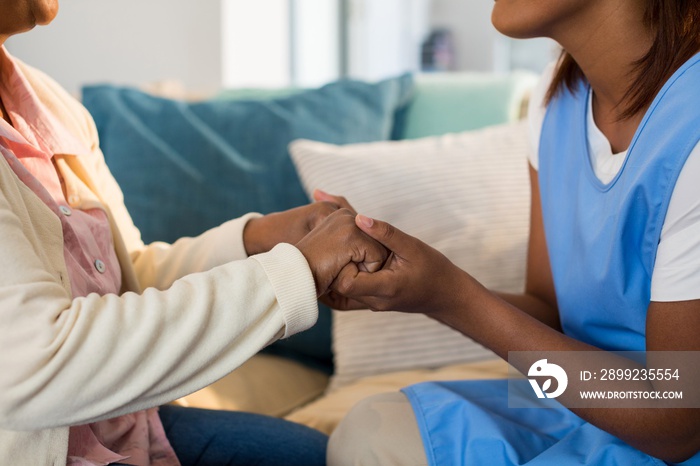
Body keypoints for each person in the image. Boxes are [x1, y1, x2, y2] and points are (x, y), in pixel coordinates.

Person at [0, 2, 387, 465]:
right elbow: (39, 361)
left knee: (327, 457)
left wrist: (255, 239)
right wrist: (291, 273)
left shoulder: (49, 107)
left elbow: (126, 277)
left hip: (134, 424)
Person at [326, 1, 700, 465]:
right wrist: (409, 282)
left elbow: (677, 418)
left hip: (665, 426)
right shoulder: (557, 99)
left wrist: (452, 297)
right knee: (372, 428)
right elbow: (549, 314)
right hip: (577, 402)